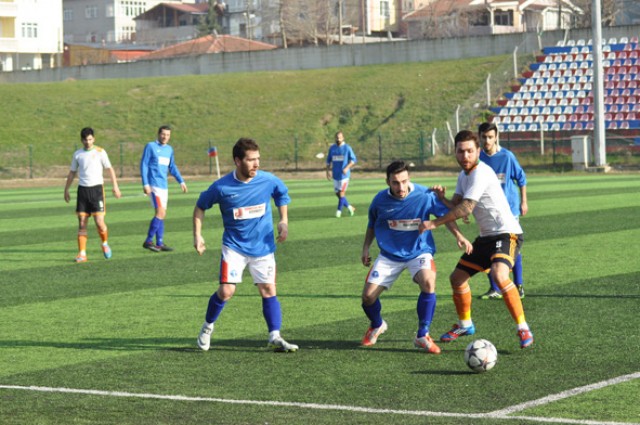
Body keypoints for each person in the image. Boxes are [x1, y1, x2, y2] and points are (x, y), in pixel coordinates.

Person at [418, 130, 533, 349]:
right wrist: (442, 199)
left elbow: (465, 209)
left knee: (500, 276)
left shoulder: (481, 172)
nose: (465, 156)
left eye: (470, 151)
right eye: (461, 151)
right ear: (455, 153)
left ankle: (523, 327)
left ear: (478, 151)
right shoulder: (464, 176)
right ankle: (465, 324)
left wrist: (434, 223)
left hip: (507, 233)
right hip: (486, 237)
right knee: (457, 278)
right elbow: (457, 205)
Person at [194, 138, 298, 353]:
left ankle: (274, 336)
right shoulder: (221, 187)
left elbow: (282, 195)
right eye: (251, 160)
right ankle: (207, 327)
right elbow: (200, 206)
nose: (256, 164)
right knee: (226, 291)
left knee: (268, 289)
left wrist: (283, 220)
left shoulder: (267, 180)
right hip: (234, 247)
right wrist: (198, 235)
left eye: (258, 159)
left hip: (263, 247)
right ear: (237, 161)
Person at [360, 160, 472, 353]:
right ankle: (377, 324)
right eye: (395, 182)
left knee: (428, 281)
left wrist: (459, 235)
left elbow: (445, 216)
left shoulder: (424, 195)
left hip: (418, 251)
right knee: (368, 298)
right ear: (388, 182)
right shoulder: (379, 200)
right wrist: (366, 248)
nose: (401, 187)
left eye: (404, 181)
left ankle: (422, 335)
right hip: (389, 255)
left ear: (409, 179)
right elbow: (372, 224)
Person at [478, 122, 528, 300]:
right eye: (484, 137)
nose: (487, 140)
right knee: (488, 248)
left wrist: (524, 202)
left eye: (490, 137)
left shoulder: (507, 156)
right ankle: (494, 288)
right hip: (488, 210)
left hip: (509, 209)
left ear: (496, 137)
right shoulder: (478, 158)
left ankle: (519, 285)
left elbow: (521, 179)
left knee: (512, 249)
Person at [63, 127, 121, 263]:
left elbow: (109, 169)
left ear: (93, 139)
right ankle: (82, 254)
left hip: (97, 191)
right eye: (85, 140)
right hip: (82, 191)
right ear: (81, 140)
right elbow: (72, 172)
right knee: (82, 223)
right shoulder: (77, 154)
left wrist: (115, 186)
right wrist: (66, 189)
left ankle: (105, 243)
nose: (88, 142)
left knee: (99, 222)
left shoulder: (100, 152)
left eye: (90, 139)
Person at [140, 125, 188, 252]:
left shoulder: (169, 149)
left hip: (164, 187)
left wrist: (181, 181)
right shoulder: (150, 146)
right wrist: (145, 184)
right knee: (160, 212)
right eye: (163, 134)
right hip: (153, 185)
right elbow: (144, 165)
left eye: (167, 135)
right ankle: (148, 241)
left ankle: (159, 243)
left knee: (162, 214)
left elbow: (172, 167)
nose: (165, 137)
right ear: (158, 134)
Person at [326, 131, 357, 218]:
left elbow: (353, 160)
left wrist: (347, 168)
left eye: (340, 137)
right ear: (335, 138)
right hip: (336, 175)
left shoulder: (347, 148)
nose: (338, 139)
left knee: (342, 193)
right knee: (338, 194)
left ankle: (338, 211)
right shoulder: (332, 148)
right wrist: (328, 171)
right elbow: (328, 161)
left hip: (344, 176)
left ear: (343, 138)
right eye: (337, 137)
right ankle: (350, 207)